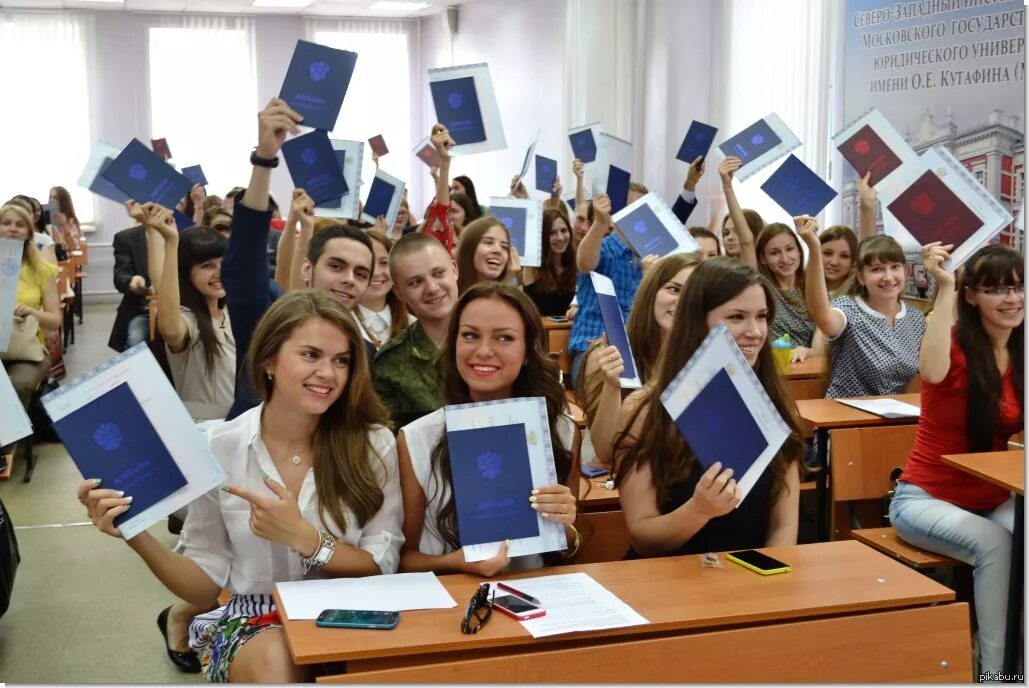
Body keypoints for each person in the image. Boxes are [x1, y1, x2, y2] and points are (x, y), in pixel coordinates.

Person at [77, 290, 403, 682]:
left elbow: (379, 566)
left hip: (352, 612)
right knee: (277, 660)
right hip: (255, 618)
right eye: (311, 355)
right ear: (269, 360)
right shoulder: (221, 445)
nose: (328, 374)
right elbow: (202, 587)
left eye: (341, 361)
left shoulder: (373, 444)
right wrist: (133, 532)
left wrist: (306, 538)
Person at [890, 243, 1022, 677]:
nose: (1012, 299)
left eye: (1019, 288)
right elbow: (928, 372)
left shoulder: (1021, 356)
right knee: (998, 544)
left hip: (994, 497)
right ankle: (997, 673)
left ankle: (1018, 662)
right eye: (997, 289)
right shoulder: (952, 347)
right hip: (925, 498)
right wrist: (945, 286)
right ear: (972, 296)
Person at [613, 257, 803, 556]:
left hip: (751, 580)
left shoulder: (776, 406)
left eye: (762, 316)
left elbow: (783, 527)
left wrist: (765, 583)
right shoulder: (645, 411)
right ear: (697, 321)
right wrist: (699, 511)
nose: (754, 331)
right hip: (667, 580)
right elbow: (643, 537)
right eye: (737, 317)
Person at [396, 284, 580, 575]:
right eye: (470, 335)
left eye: (504, 338)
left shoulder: (559, 431)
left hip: (534, 598)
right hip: (451, 602)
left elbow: (565, 549)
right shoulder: (417, 438)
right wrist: (455, 562)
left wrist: (566, 525)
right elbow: (404, 560)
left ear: (528, 351)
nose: (483, 351)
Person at [221, 99, 375, 420]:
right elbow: (243, 268)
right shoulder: (269, 323)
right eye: (336, 266)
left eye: (361, 273)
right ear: (308, 267)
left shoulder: (364, 353)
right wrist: (264, 159)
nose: (349, 278)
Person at [578, 252, 702, 466]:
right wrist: (612, 385)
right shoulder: (608, 353)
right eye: (674, 289)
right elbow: (605, 452)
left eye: (693, 293)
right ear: (651, 293)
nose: (682, 301)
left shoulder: (706, 356)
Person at [797, 217, 925, 398]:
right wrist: (814, 248)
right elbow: (822, 316)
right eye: (877, 269)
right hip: (845, 417)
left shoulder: (917, 318)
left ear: (904, 271)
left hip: (899, 417)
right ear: (861, 277)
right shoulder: (848, 308)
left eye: (894, 267)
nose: (888, 277)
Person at [144, 204, 235, 421]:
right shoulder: (188, 320)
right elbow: (170, 329)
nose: (219, 272)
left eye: (223, 262)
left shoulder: (231, 311)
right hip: (204, 430)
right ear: (186, 272)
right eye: (207, 265)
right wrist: (169, 241)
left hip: (240, 424)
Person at [373, 233, 459, 429]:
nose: (432, 288)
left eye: (438, 273)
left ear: (454, 269)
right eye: (415, 282)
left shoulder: (496, 338)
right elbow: (390, 439)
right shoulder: (390, 363)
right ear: (399, 292)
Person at [0, 203, 60, 468]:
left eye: (19, 224)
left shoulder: (42, 270)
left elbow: (56, 320)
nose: (12, 228)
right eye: (6, 222)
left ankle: (5, 444)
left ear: (28, 231)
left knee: (19, 384)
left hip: (28, 349)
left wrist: (32, 312)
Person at [567, 193, 649, 384]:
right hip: (592, 347)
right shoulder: (603, 246)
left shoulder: (651, 259)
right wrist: (600, 223)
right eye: (630, 207)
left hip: (636, 352)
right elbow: (585, 263)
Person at [755, 223, 815, 361]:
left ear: (799, 251)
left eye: (789, 249)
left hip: (810, 369)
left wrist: (806, 351)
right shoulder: (761, 289)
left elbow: (824, 345)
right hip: (772, 369)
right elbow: (745, 241)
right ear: (763, 258)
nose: (785, 258)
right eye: (775, 253)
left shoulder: (812, 289)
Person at [356, 230, 412, 350]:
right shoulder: (339, 323)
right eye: (367, 263)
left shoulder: (414, 324)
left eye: (384, 263)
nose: (376, 273)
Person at [523, 209, 577, 317]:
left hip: (570, 330)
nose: (560, 237)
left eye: (563, 230)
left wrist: (579, 309)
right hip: (541, 332)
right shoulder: (533, 267)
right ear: (542, 237)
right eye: (552, 233)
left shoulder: (577, 265)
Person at [455, 217, 518, 295]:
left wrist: (511, 280)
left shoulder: (507, 298)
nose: (498, 250)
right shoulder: (450, 293)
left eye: (504, 247)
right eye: (488, 242)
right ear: (469, 248)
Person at [818, 225, 858, 297]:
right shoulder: (797, 287)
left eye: (844, 256)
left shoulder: (857, 298)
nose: (834, 262)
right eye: (827, 253)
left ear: (853, 260)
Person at [49, 186, 83, 251]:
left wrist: (64, 225)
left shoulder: (71, 220)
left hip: (65, 257)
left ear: (63, 201)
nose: (51, 200)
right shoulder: (45, 218)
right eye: (50, 197)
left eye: (55, 198)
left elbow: (73, 247)